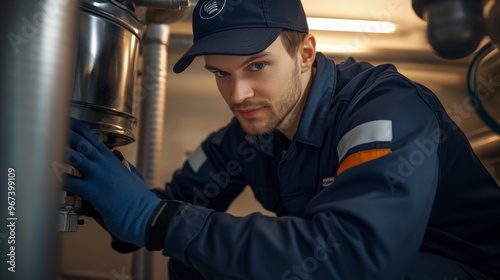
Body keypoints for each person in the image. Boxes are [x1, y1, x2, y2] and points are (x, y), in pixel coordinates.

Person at [65, 0, 500, 279]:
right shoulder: (249, 134)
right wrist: (108, 200)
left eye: (256, 67)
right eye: (221, 73)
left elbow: (356, 259)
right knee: (197, 261)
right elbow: (177, 203)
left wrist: (155, 218)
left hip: (456, 268)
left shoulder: (385, 109)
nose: (237, 96)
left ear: (306, 53)